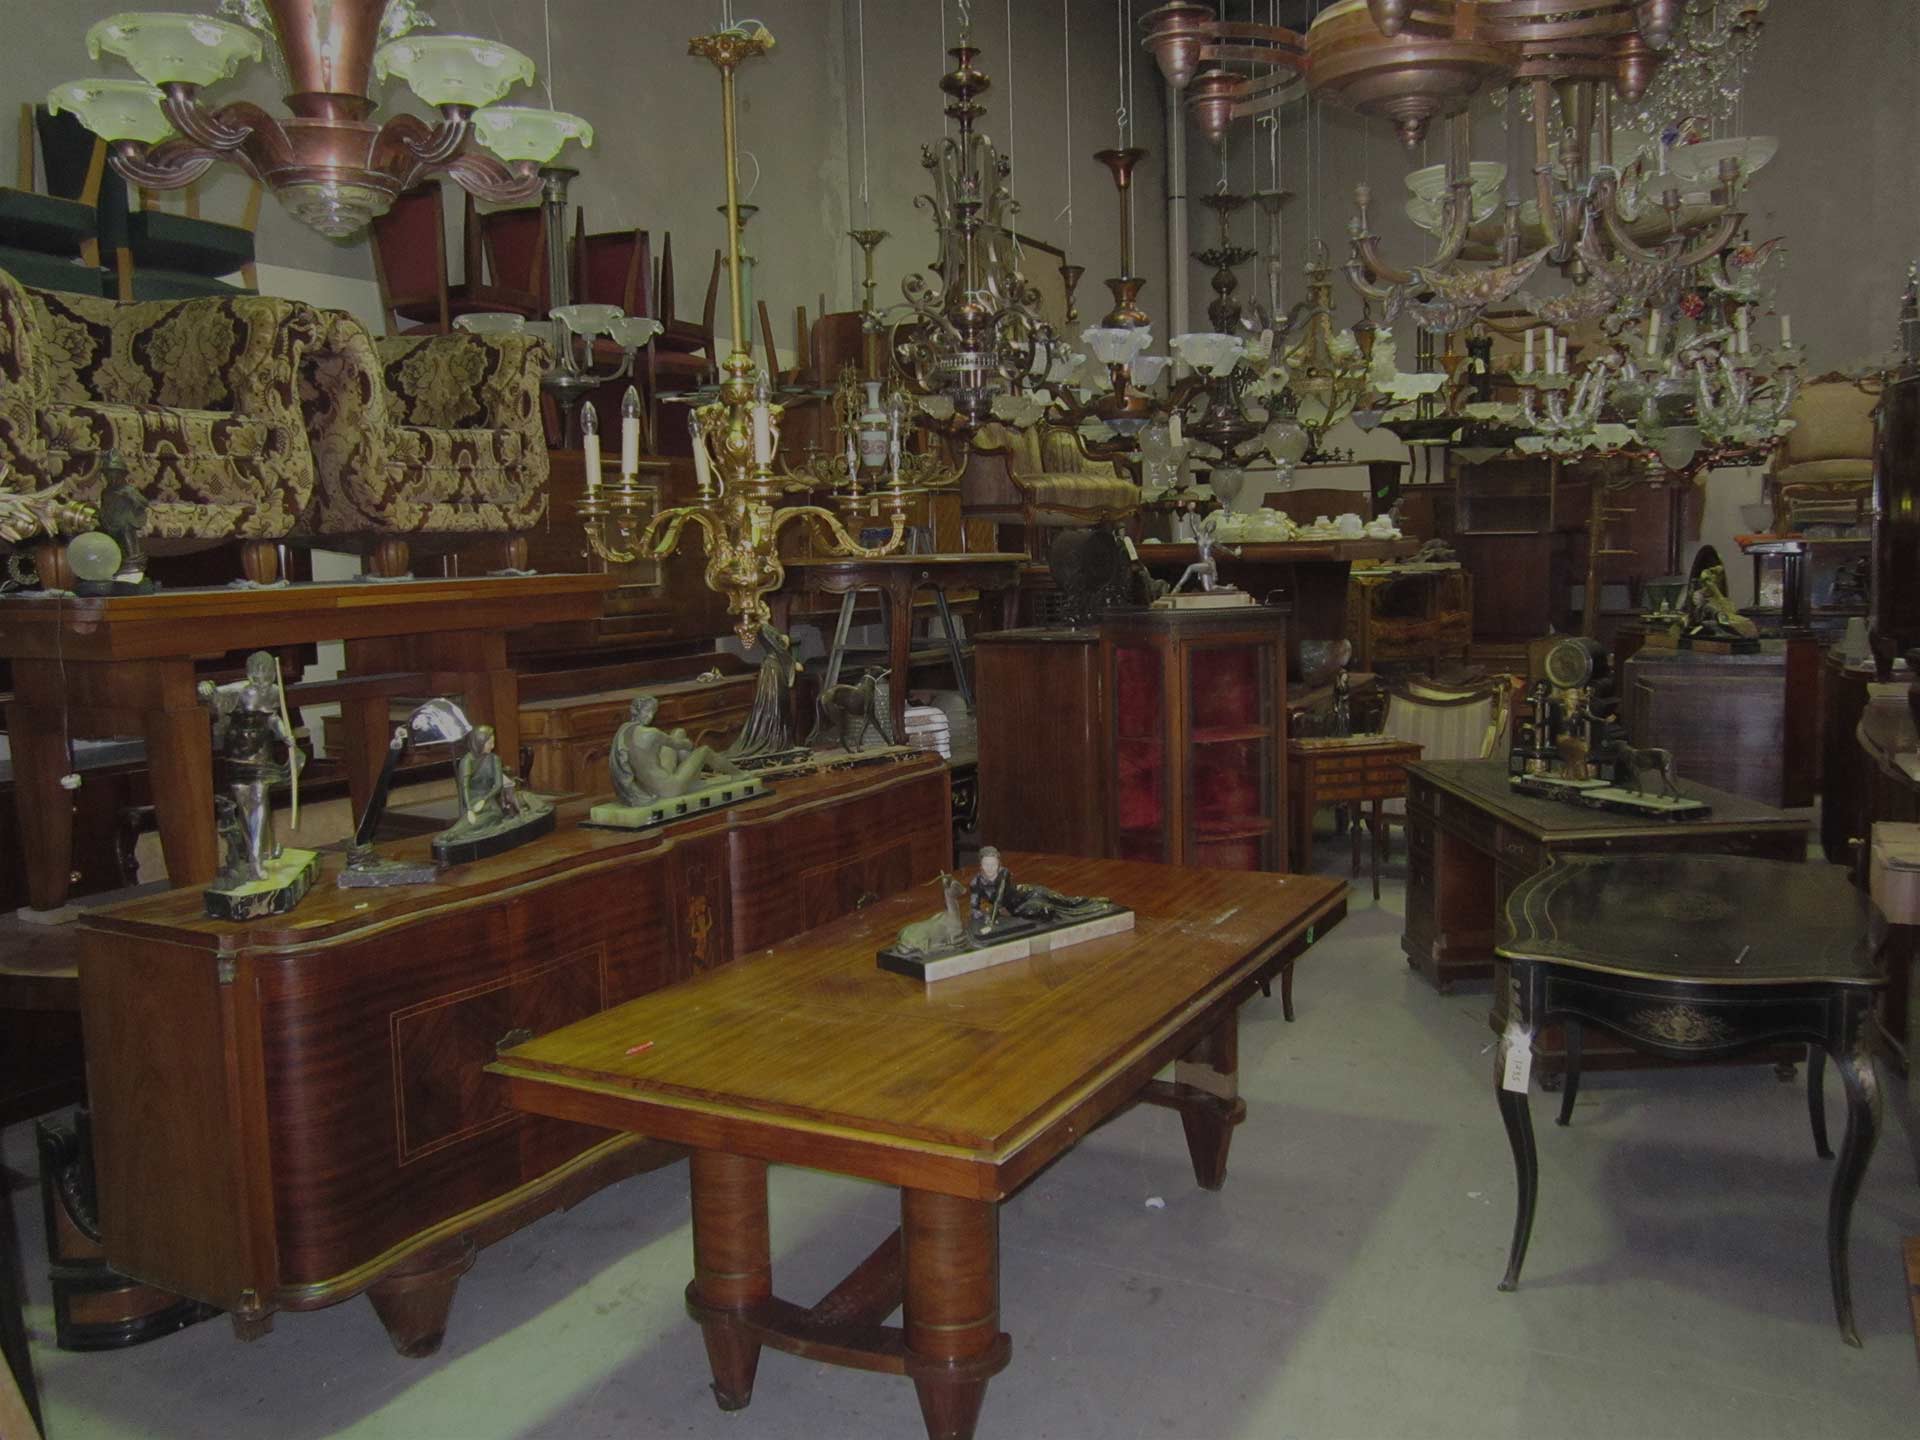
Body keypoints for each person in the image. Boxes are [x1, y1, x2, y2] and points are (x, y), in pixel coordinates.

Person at [198, 650, 305, 883]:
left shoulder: (275, 692)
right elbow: (212, 693)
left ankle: (256, 859)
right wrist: (205, 687)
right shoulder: (239, 690)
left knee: (259, 799)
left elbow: (273, 718)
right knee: (244, 804)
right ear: (249, 675)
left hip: (261, 752)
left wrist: (286, 735)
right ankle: (256, 850)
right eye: (257, 677)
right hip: (237, 751)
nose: (262, 682)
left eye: (267, 676)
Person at [610, 695, 742, 806]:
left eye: (653, 712)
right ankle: (739, 775)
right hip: (669, 788)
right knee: (704, 751)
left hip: (649, 787)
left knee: (678, 732)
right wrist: (689, 745)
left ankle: (692, 781)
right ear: (637, 710)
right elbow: (681, 745)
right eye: (647, 711)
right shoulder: (652, 733)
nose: (650, 716)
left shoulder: (623, 730)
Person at [966, 846, 1109, 935]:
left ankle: (1091, 902)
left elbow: (999, 896)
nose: (990, 868)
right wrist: (984, 917)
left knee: (1063, 899)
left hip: (1028, 892)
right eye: (986, 864)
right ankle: (1085, 912)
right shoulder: (975, 883)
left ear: (999, 864)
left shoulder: (1004, 873)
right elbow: (975, 907)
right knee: (1049, 910)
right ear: (980, 865)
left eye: (994, 864)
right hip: (1019, 907)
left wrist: (992, 919)